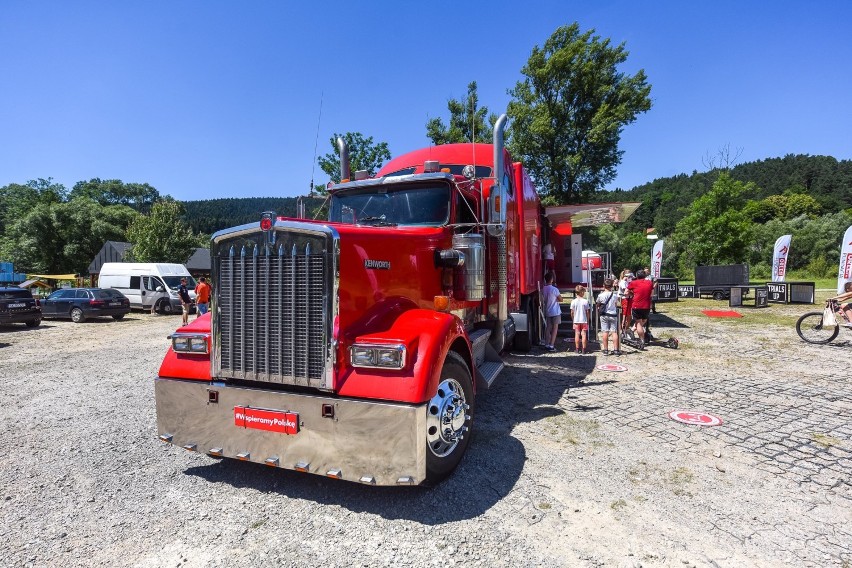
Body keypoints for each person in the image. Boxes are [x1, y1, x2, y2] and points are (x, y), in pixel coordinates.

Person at [627, 270, 655, 349]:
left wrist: (632, 294)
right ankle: (632, 330)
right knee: (644, 320)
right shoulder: (649, 282)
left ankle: (641, 340)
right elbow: (652, 294)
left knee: (639, 323)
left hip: (637, 305)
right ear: (645, 276)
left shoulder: (633, 282)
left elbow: (626, 292)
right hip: (646, 305)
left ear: (637, 275)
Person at [596, 278, 621, 355]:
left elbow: (598, 304)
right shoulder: (614, 295)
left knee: (605, 331)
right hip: (613, 314)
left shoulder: (600, 295)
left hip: (604, 314)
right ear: (612, 286)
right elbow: (617, 304)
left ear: (604, 286)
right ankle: (616, 349)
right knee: (614, 332)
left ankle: (606, 350)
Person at [541, 272, 562, 351]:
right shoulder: (554, 289)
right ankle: (551, 345)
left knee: (548, 328)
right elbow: (561, 299)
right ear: (552, 279)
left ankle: (546, 344)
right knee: (555, 328)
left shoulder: (544, 289)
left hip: (548, 310)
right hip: (555, 311)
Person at [570, 285, 591, 354]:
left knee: (577, 334)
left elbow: (572, 312)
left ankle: (577, 348)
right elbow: (587, 312)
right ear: (582, 292)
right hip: (584, 320)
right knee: (584, 334)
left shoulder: (573, 301)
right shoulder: (585, 301)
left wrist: (573, 319)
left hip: (576, 320)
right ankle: (584, 349)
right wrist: (588, 319)